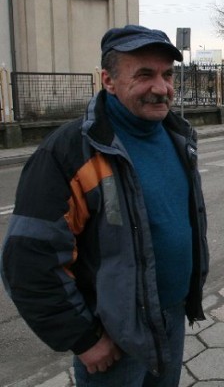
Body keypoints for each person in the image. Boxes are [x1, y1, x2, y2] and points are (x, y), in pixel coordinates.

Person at [1, 25, 210, 386]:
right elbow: (27, 261)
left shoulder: (178, 136)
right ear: (108, 81)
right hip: (113, 337)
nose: (161, 88)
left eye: (167, 75)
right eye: (144, 75)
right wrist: (83, 338)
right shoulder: (69, 152)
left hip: (171, 318)